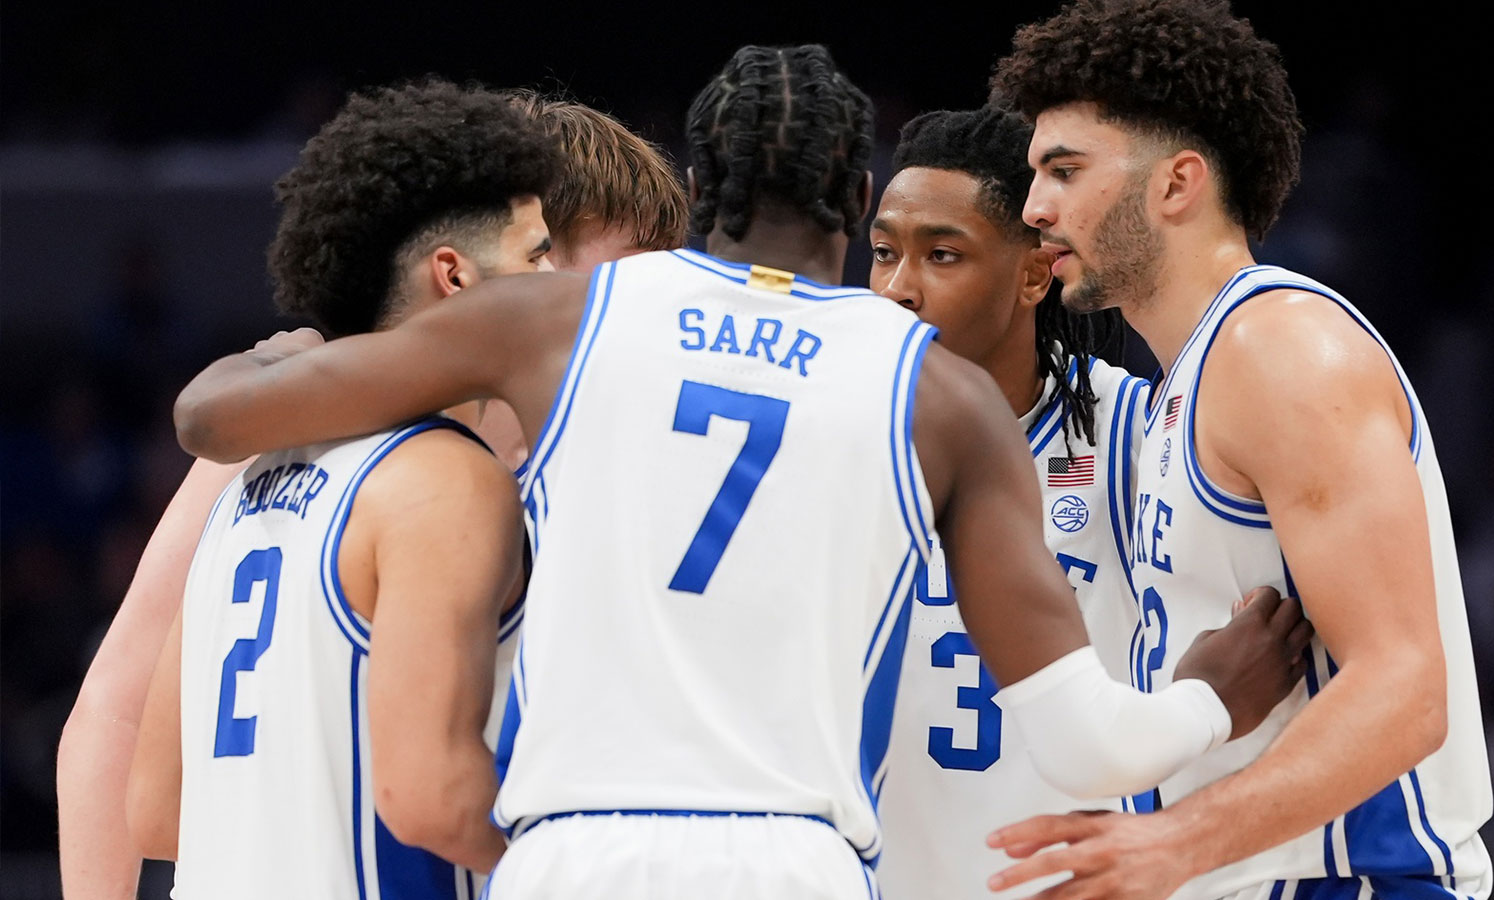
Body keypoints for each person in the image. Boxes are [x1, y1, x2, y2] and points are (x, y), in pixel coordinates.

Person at [170, 45, 1309, 898]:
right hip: (789, 861)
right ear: (859, 202)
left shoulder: (548, 319)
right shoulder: (936, 391)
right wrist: (1215, 691)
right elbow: (1084, 745)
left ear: (695, 185)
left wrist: (274, 356)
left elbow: (213, 420)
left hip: (575, 853)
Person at [56, 91, 688, 900]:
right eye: (625, 277)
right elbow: (114, 714)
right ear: (515, 256)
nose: (649, 314)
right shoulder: (348, 442)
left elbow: (162, 804)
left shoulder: (272, 443)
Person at [983, 2, 1493, 898]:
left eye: (1063, 170)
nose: (1034, 208)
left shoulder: (1280, 347)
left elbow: (1407, 687)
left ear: (1176, 184)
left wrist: (1172, 845)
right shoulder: (1187, 383)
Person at [122, 79, 563, 897]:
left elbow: (154, 809)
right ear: (455, 276)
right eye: (538, 254)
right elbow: (428, 798)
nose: (561, 278)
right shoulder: (446, 478)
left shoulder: (244, 487)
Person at [866, 106, 1148, 900]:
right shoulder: (832, 431)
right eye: (883, 253)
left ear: (1032, 273)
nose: (896, 290)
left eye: (941, 255)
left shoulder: (1130, 434)